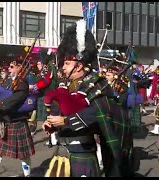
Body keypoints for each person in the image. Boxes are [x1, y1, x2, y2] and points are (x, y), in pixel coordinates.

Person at [42, 19, 127, 177]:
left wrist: (66, 121)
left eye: (66, 63)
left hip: (83, 155)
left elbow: (99, 114)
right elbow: (59, 110)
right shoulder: (67, 86)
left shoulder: (97, 84)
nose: (63, 68)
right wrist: (52, 124)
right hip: (63, 153)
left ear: (79, 65)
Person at [0, 59, 35, 177]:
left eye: (12, 66)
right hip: (5, 121)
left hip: (17, 121)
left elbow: (16, 99)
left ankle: (27, 175)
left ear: (20, 68)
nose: (9, 68)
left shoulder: (23, 83)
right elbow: (2, 96)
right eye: (9, 66)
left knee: (23, 154)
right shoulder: (7, 81)